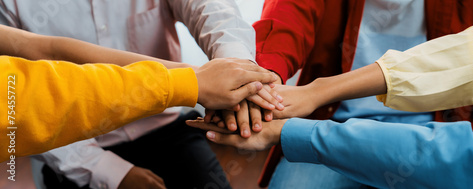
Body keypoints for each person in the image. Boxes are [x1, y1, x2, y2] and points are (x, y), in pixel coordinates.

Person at [186, 16, 473, 188]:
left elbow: (463, 155)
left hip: (437, 127)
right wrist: (260, 83)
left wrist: (285, 132)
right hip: (331, 119)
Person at [0, 1, 281, 188]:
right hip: (72, 143)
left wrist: (237, 72)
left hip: (165, 127)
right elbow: (20, 101)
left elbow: (210, 9)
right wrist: (110, 173)